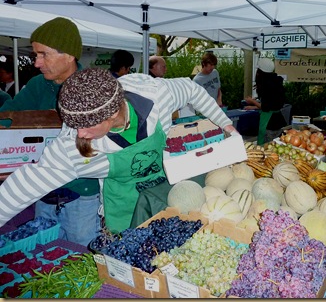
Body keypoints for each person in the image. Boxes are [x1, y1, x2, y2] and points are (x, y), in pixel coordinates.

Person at [0, 67, 238, 234]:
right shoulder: (71, 149)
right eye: (73, 125)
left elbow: (192, 90)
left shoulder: (157, 95)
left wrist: (224, 122)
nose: (79, 134)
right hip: (122, 218)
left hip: (166, 201)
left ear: (113, 114)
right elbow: (20, 189)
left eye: (86, 125)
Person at [0, 17, 101, 247]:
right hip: (43, 191)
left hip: (81, 195)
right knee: (42, 254)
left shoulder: (92, 89)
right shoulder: (37, 85)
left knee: (81, 254)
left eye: (43, 54)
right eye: (36, 55)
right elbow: (7, 117)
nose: (37, 62)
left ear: (68, 54)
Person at [244, 58, 287, 145]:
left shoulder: (266, 85)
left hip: (269, 123)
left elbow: (266, 107)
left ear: (260, 71)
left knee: (265, 149)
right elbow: (272, 105)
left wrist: (252, 101)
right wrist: (254, 106)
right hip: (279, 120)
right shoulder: (277, 81)